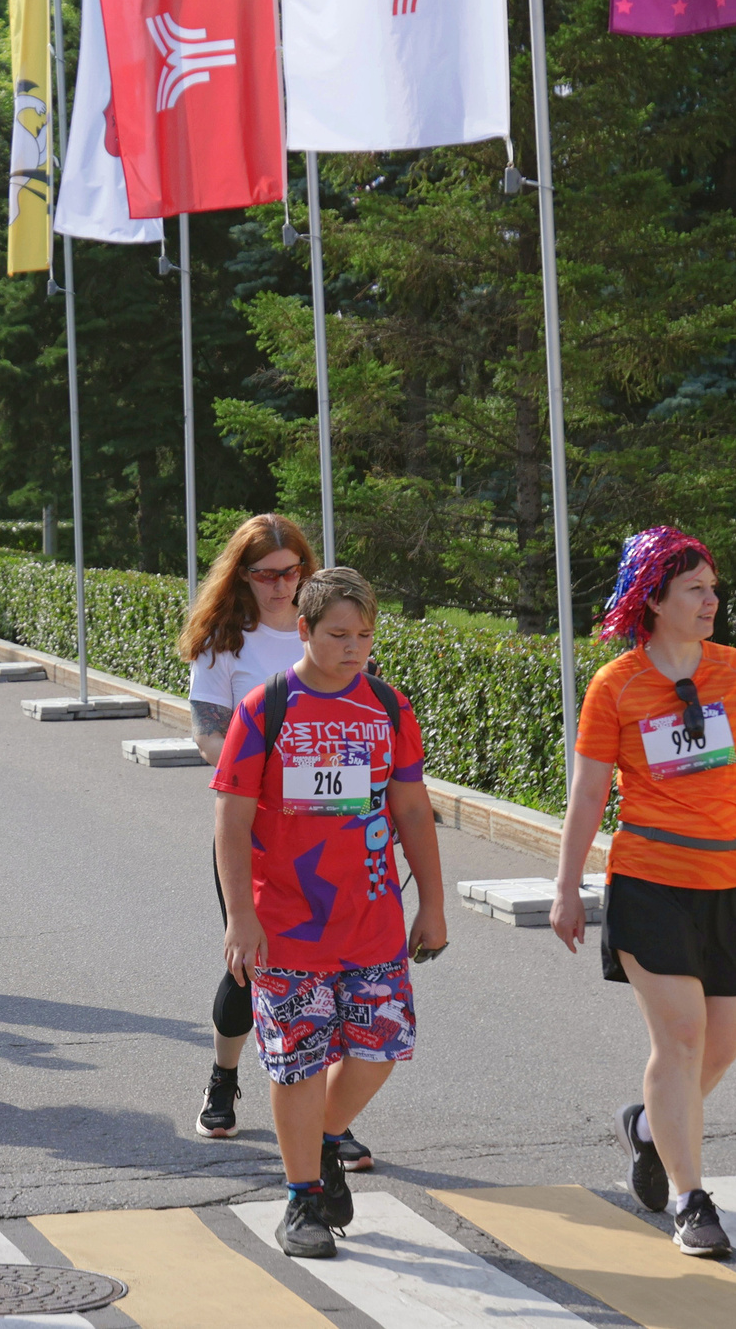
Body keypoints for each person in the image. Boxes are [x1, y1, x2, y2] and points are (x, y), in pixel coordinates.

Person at [549, 527, 736, 1261]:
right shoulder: (616, 685)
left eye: (712, 587)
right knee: (683, 1038)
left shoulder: (735, 669)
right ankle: (691, 1199)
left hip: (730, 884)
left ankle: (646, 1127)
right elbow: (589, 793)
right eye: (695, 588)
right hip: (650, 885)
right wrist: (566, 887)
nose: (711, 600)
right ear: (654, 598)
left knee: (718, 1049)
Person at [214, 566, 445, 1261]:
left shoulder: (388, 707)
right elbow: (231, 818)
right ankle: (302, 1198)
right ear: (304, 629)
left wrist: (433, 902)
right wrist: (239, 917)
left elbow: (412, 808)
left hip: (372, 920)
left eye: (365, 635)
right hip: (286, 924)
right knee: (298, 1064)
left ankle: (317, 1138)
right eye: (339, 634)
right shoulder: (266, 707)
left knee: (381, 1048)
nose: (354, 647)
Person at [179, 514, 320, 1144]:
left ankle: (330, 1117)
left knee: (329, 968)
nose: (281, 587)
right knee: (250, 958)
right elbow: (208, 735)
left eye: (291, 573)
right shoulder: (223, 643)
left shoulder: (328, 629)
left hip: (328, 831)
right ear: (242, 576)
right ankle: (224, 1077)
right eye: (266, 575)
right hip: (252, 828)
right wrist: (268, 774)